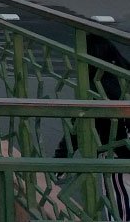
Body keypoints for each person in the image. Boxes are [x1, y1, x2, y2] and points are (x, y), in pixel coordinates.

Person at [54, 34, 130, 219]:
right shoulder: (124, 73)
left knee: (121, 209)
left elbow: (80, 124)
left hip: (119, 156)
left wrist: (61, 158)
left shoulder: (97, 87)